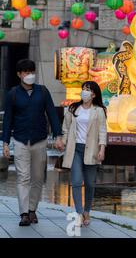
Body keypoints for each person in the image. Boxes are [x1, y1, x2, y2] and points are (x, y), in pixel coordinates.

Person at [2, 59, 64, 226]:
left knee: (37, 178)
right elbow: (7, 119)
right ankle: (23, 213)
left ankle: (32, 210)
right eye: (26, 72)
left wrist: (58, 135)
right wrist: (5, 143)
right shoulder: (13, 94)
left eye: (32, 72)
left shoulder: (43, 92)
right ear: (19, 74)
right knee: (23, 177)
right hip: (21, 140)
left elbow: (52, 115)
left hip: (40, 140)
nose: (30, 75)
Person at [60, 81, 107, 227]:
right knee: (75, 181)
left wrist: (102, 149)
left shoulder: (99, 110)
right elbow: (66, 127)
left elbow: (102, 131)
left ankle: (87, 210)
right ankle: (79, 213)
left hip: (92, 150)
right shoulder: (73, 108)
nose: (84, 92)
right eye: (83, 89)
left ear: (93, 94)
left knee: (90, 183)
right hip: (75, 150)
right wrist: (63, 140)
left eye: (87, 90)